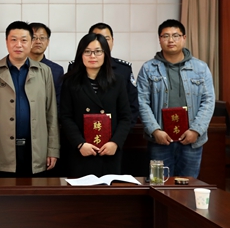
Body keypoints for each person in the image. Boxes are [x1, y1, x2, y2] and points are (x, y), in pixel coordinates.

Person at [0, 21, 59, 177]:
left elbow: (51, 113)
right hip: (1, 150)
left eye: (24, 40)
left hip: (36, 150)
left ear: (31, 43)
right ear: (6, 42)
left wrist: (53, 149)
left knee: (35, 191)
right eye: (13, 40)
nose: (18, 45)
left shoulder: (44, 72)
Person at [136, 19, 215, 178]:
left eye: (175, 35)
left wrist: (196, 130)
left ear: (184, 38)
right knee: (159, 184)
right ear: (159, 39)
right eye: (165, 36)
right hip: (160, 140)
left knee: (188, 184)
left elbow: (208, 100)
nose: (170, 40)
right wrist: (155, 131)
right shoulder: (148, 69)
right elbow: (142, 102)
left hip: (191, 139)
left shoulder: (200, 68)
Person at [60, 33, 133, 177]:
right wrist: (80, 143)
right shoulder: (70, 82)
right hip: (81, 152)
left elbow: (126, 117)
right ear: (80, 54)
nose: (92, 56)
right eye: (87, 51)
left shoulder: (117, 81)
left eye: (98, 51)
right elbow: (65, 117)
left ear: (105, 54)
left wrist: (115, 143)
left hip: (109, 151)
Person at [88, 23, 139, 124]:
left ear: (112, 41)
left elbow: (132, 105)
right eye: (98, 38)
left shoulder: (123, 69)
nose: (102, 42)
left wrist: (123, 131)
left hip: (116, 130)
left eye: (106, 39)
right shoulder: (75, 67)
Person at [29, 22, 64, 108]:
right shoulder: (18, 66)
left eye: (42, 38)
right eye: (34, 38)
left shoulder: (57, 70)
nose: (38, 41)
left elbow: (58, 101)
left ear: (48, 42)